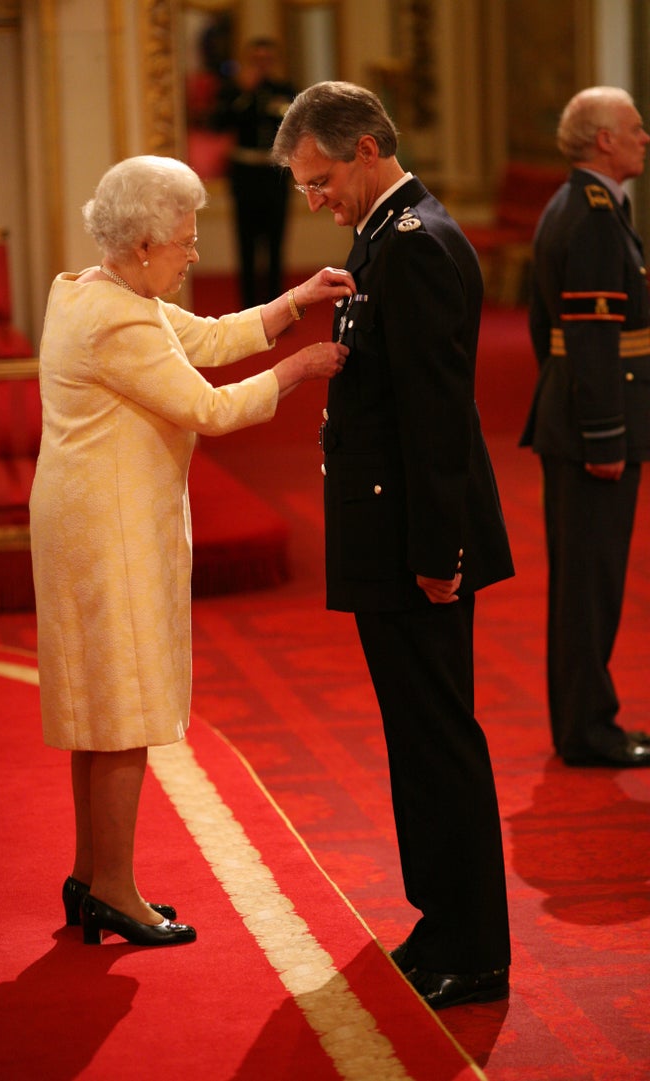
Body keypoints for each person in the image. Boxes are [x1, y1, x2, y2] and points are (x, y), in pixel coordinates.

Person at [29, 154, 353, 947]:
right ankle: (114, 888)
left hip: (83, 521)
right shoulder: (121, 317)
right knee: (127, 707)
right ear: (142, 245)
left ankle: (87, 876)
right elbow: (208, 405)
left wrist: (293, 303)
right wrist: (300, 368)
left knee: (98, 709)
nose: (196, 251)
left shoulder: (91, 289)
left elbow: (204, 337)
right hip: (109, 533)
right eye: (184, 238)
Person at [272, 82, 514, 1009]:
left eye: (320, 179)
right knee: (414, 739)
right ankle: (441, 917)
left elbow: (436, 417)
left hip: (420, 546)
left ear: (367, 147)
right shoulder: (382, 236)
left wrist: (437, 554)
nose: (315, 200)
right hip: (395, 536)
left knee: (439, 738)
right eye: (303, 186)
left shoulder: (413, 246)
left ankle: (476, 947)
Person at [520, 86, 650, 768]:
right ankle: (589, 729)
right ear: (604, 140)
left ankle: (582, 720)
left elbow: (551, 334)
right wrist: (604, 435)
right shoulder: (595, 217)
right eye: (634, 128)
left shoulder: (576, 204)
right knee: (590, 586)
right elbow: (592, 338)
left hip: (572, 419)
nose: (644, 137)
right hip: (596, 432)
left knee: (583, 582)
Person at [212, 38, 296, 306]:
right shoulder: (233, 92)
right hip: (245, 174)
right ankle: (249, 307)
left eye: (266, 61)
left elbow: (297, 127)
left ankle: (277, 306)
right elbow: (217, 123)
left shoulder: (285, 90)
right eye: (256, 61)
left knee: (275, 242)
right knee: (245, 242)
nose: (261, 67)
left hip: (275, 173)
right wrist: (244, 94)